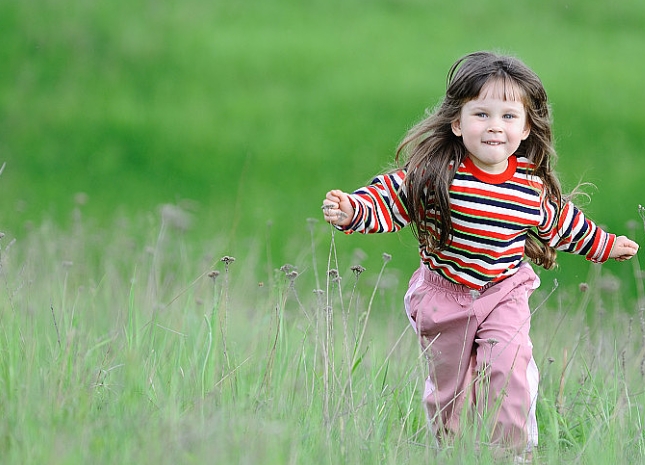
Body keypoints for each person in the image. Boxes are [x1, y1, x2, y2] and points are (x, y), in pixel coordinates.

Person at [321, 51, 639, 461]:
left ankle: (513, 454)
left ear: (526, 128)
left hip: (504, 290)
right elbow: (391, 198)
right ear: (457, 122)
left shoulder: (530, 186)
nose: (495, 126)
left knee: (507, 368)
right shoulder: (436, 174)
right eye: (482, 114)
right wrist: (353, 211)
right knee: (449, 393)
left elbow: (563, 224)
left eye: (509, 116)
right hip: (443, 297)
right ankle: (453, 453)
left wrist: (605, 245)